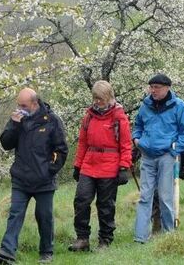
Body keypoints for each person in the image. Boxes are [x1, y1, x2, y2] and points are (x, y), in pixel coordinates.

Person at [0, 88, 68, 264]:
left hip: (44, 179)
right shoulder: (18, 119)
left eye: (23, 105)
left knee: (44, 215)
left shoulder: (52, 120)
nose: (20, 108)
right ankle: (7, 251)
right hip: (21, 178)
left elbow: (61, 149)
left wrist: (50, 170)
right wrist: (15, 125)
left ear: (34, 103)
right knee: (15, 213)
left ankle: (46, 252)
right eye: (18, 104)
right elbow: (5, 144)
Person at [68, 80, 132, 252]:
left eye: (100, 98)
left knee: (105, 206)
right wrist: (77, 165)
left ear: (109, 97)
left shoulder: (119, 117)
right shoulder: (88, 116)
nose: (97, 102)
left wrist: (123, 167)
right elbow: (82, 143)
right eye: (95, 98)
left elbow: (126, 144)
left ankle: (105, 240)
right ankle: (82, 238)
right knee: (81, 201)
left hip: (110, 166)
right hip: (89, 164)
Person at [132, 73, 184, 242]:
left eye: (157, 88)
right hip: (147, 156)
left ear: (167, 88)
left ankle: (169, 236)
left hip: (167, 156)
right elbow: (138, 125)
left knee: (166, 197)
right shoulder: (145, 105)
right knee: (145, 196)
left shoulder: (179, 106)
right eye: (151, 87)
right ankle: (140, 237)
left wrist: (176, 151)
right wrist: (137, 140)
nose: (153, 91)